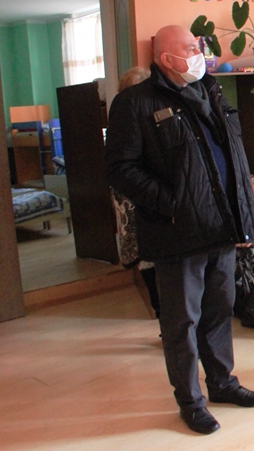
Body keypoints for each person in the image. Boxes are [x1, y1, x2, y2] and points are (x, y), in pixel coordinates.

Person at [105, 25, 254, 435]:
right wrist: (172, 203)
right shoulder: (135, 103)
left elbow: (231, 155)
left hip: (221, 226)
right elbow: (120, 169)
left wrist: (244, 214)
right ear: (166, 59)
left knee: (219, 311)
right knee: (182, 323)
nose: (198, 52)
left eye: (197, 46)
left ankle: (223, 383)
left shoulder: (209, 90)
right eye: (190, 48)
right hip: (177, 234)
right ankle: (190, 402)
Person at [110, 66, 160, 319]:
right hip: (137, 198)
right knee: (147, 257)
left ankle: (162, 311)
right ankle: (160, 310)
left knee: (150, 258)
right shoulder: (127, 121)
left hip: (142, 197)